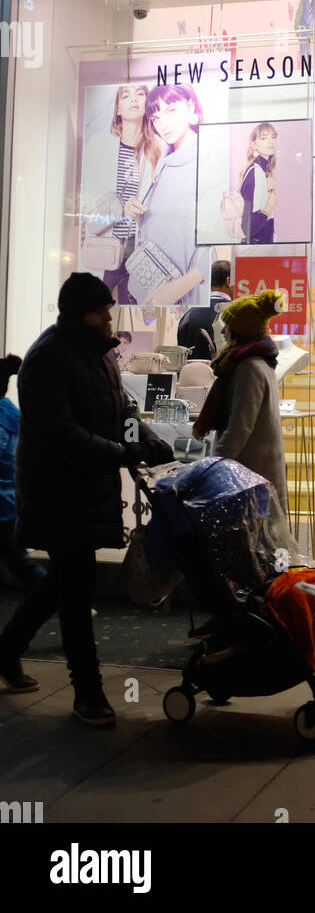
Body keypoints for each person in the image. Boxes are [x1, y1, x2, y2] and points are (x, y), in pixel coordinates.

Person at [0, 274, 172, 724]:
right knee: (75, 589)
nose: (109, 317)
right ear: (79, 314)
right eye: (102, 310)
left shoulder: (97, 353)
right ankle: (88, 693)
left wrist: (146, 437)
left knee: (65, 582)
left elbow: (122, 409)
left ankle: (6, 651)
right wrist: (123, 453)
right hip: (55, 489)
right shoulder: (48, 358)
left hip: (86, 487)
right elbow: (60, 434)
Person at [192, 289, 288, 515]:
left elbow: (240, 425)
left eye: (229, 326)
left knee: (255, 541)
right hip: (252, 468)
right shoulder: (255, 361)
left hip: (249, 471)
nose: (224, 331)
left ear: (241, 331)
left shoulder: (248, 367)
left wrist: (215, 465)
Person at [126, 83, 211, 307]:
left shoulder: (207, 159)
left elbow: (215, 241)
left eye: (171, 110)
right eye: (155, 117)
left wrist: (177, 287)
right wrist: (134, 210)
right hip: (151, 279)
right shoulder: (163, 158)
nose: (163, 123)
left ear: (190, 106)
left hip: (180, 293)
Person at [80, 83, 161, 304]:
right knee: (94, 310)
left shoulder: (156, 150)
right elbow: (88, 213)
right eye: (126, 95)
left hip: (140, 249)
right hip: (106, 244)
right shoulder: (99, 146)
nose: (134, 99)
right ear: (117, 108)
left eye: (141, 94)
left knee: (136, 314)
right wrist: (121, 210)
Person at [0, 354, 46, 590]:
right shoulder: (12, 414)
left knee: (19, 561)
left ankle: (61, 600)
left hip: (4, 504)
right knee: (18, 560)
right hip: (10, 501)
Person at [176, 260, 234, 362]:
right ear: (228, 281)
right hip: (225, 377)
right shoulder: (236, 314)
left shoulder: (189, 315)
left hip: (191, 375)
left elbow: (181, 354)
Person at [240, 123, 278, 244]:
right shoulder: (256, 172)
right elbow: (247, 226)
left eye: (273, 137)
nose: (270, 141)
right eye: (264, 138)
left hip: (260, 246)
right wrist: (269, 208)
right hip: (256, 248)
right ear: (254, 145)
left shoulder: (262, 171)